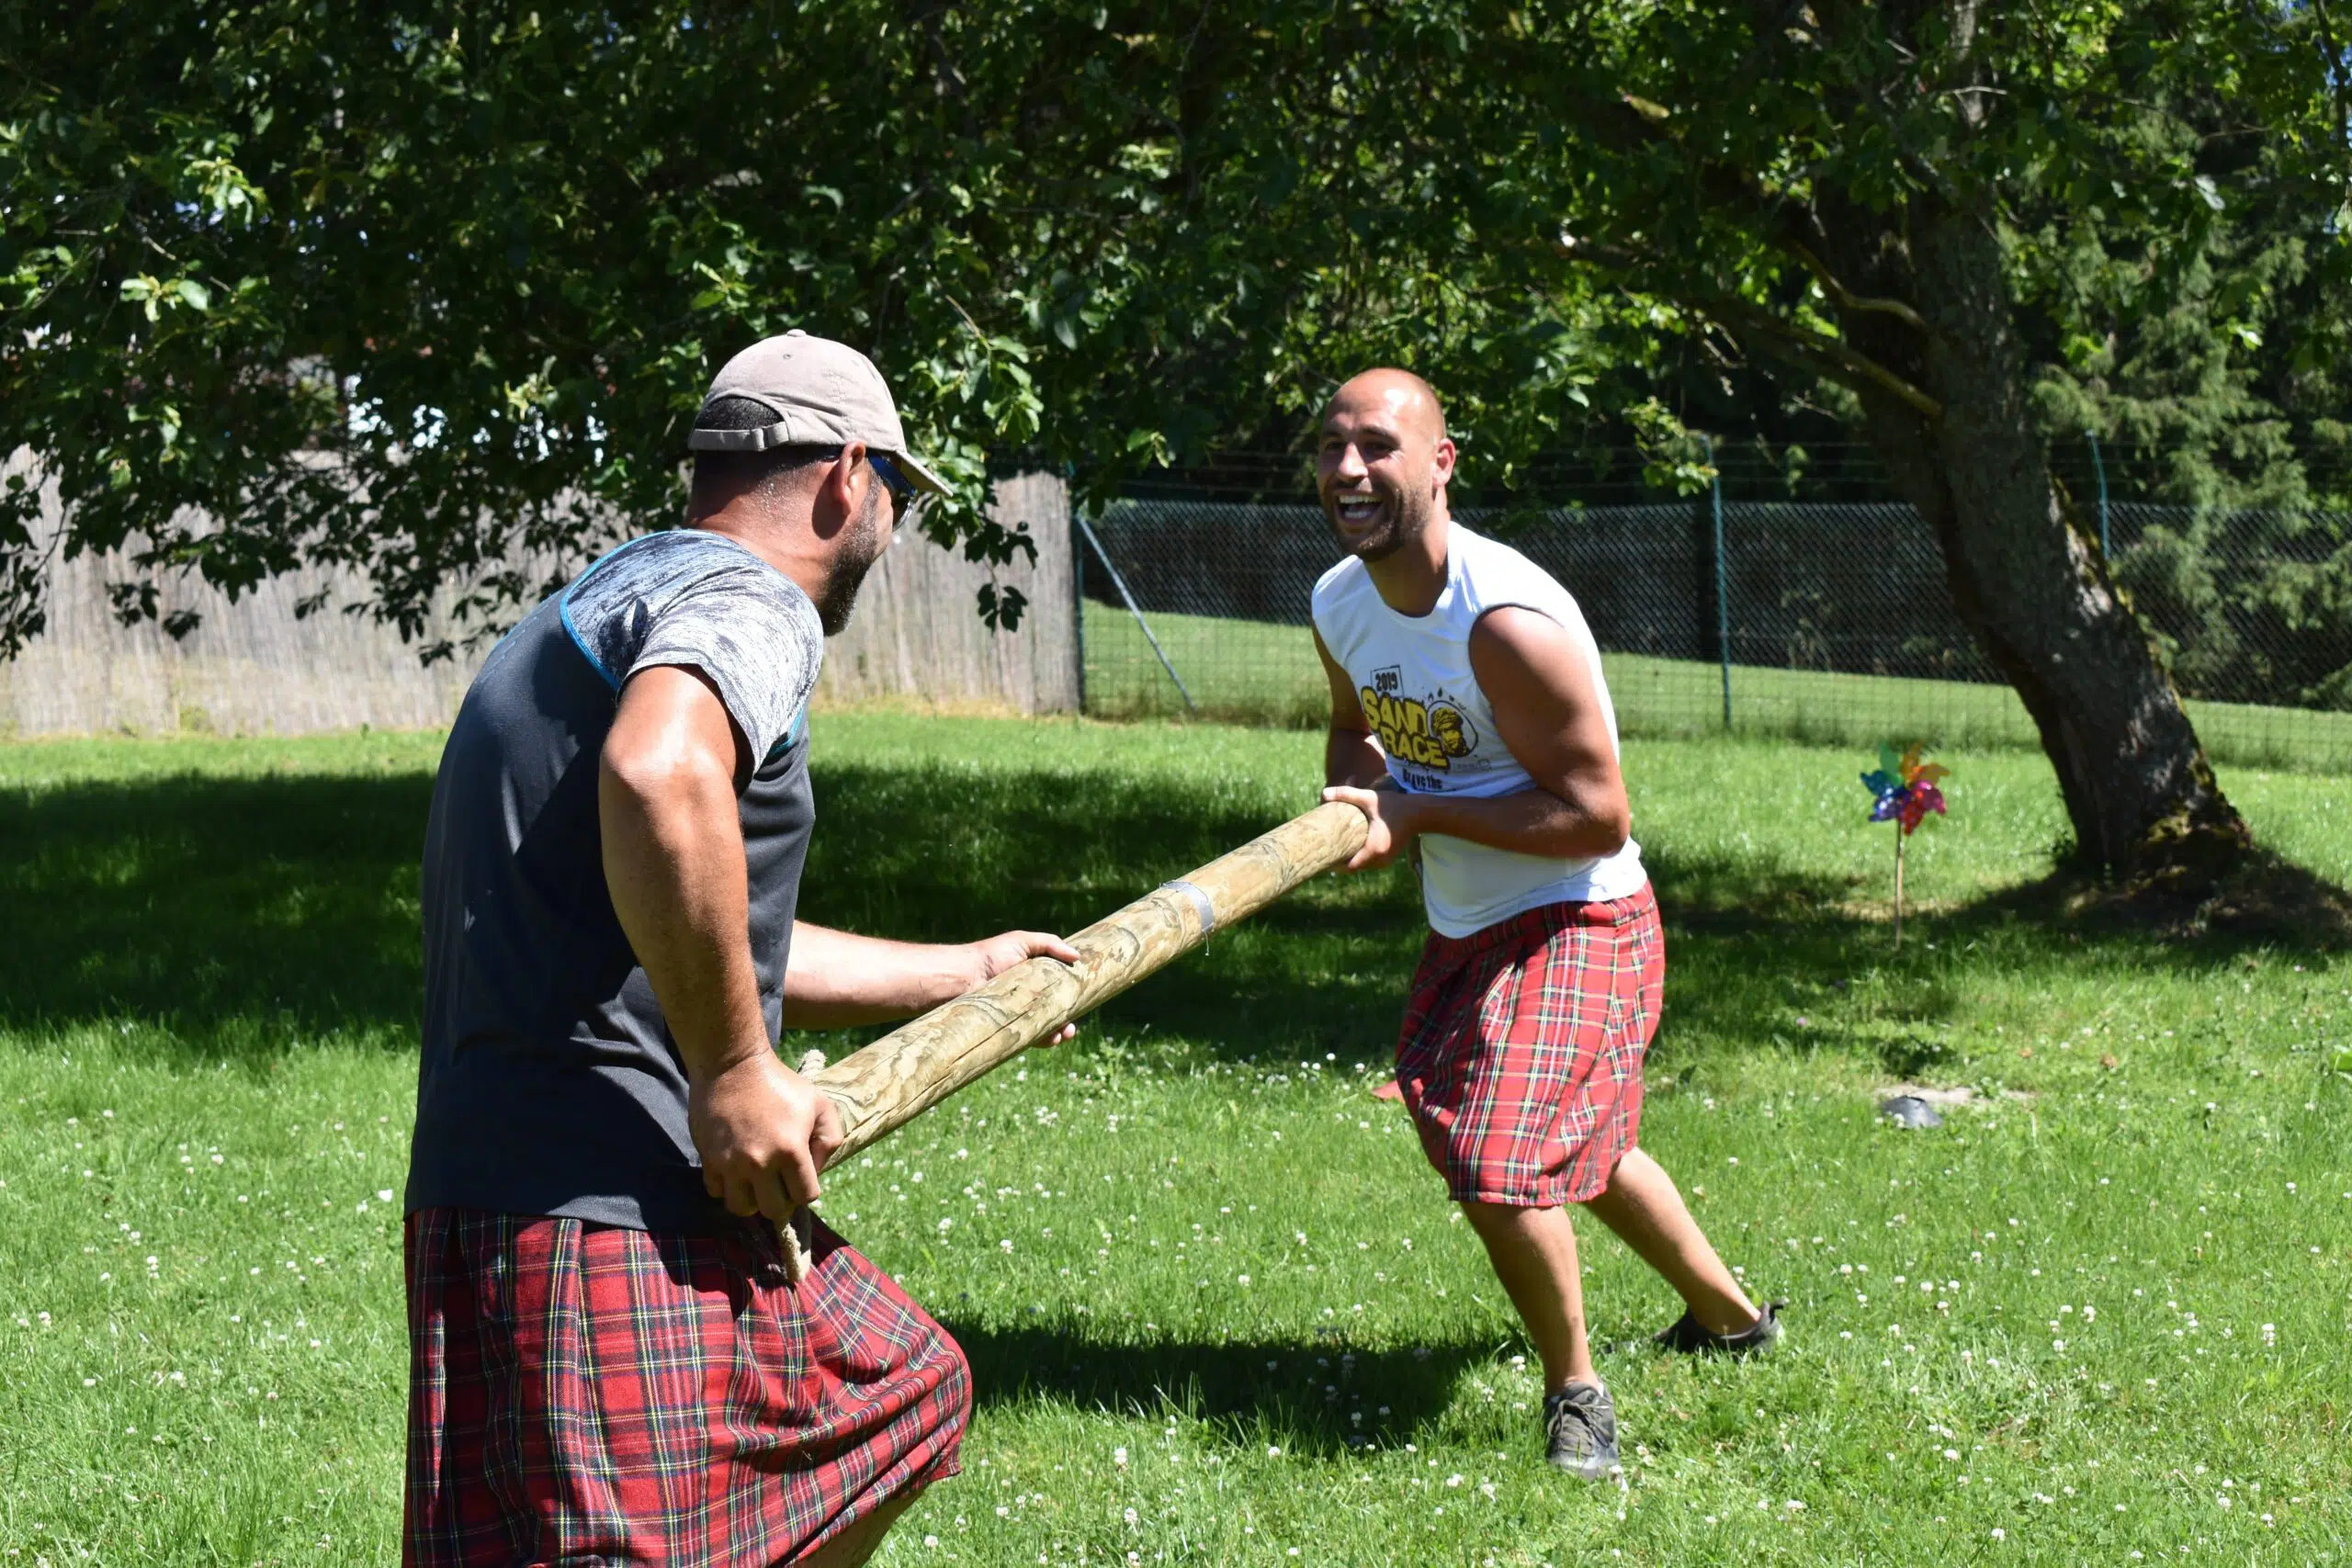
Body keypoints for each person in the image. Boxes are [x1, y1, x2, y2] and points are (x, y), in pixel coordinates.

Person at [403, 331, 1077, 1565]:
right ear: (850, 475)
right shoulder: (751, 600)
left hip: (507, 1179)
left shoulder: (603, 600)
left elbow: (689, 922)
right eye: (898, 494)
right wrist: (732, 1070)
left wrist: (963, 972)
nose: (892, 525)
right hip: (602, 1189)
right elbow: (660, 775)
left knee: (904, 1385)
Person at [1307, 368, 1781, 1479]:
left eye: (1377, 446)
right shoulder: (1338, 600)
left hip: (1581, 912)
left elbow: (1596, 814)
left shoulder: (1503, 621)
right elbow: (1353, 727)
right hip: (1465, 922)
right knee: (1578, 1141)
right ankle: (1730, 1322)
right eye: (1330, 447)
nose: (1347, 470)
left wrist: (1419, 812)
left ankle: (1576, 1394)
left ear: (1441, 463)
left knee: (1498, 1158)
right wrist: (1357, 802)